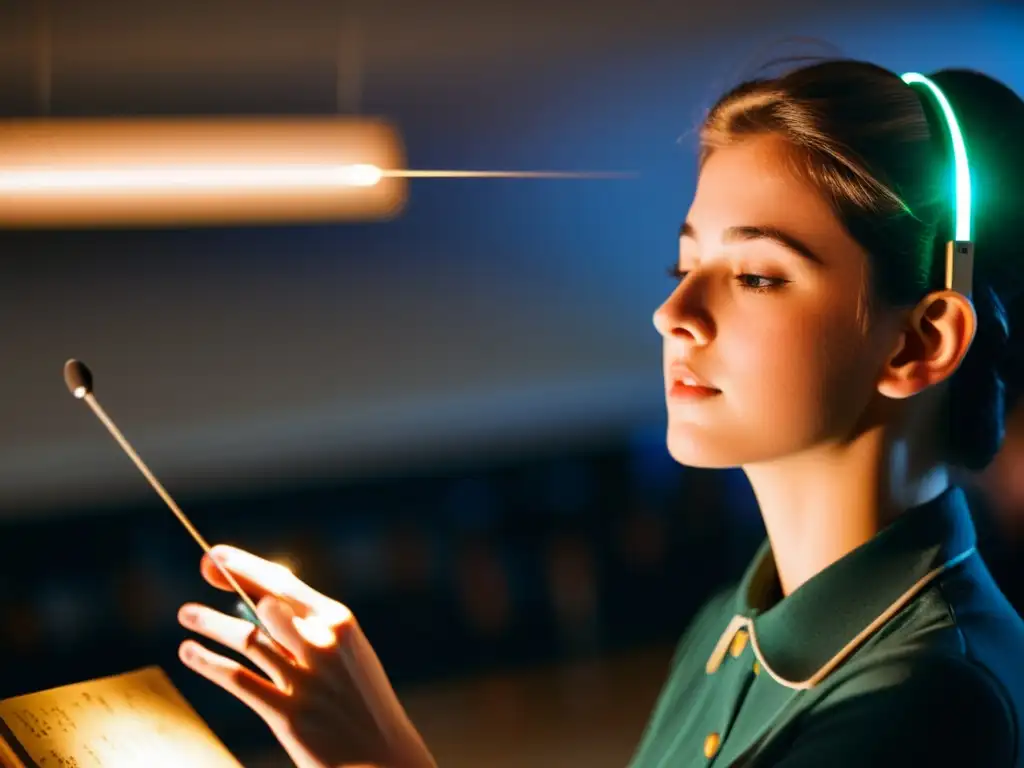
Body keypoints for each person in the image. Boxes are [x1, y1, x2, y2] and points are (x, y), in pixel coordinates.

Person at [175, 57, 1024, 767]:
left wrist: (377, 752)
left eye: (758, 274)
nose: (674, 313)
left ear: (920, 343)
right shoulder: (727, 625)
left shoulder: (931, 702)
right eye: (681, 265)